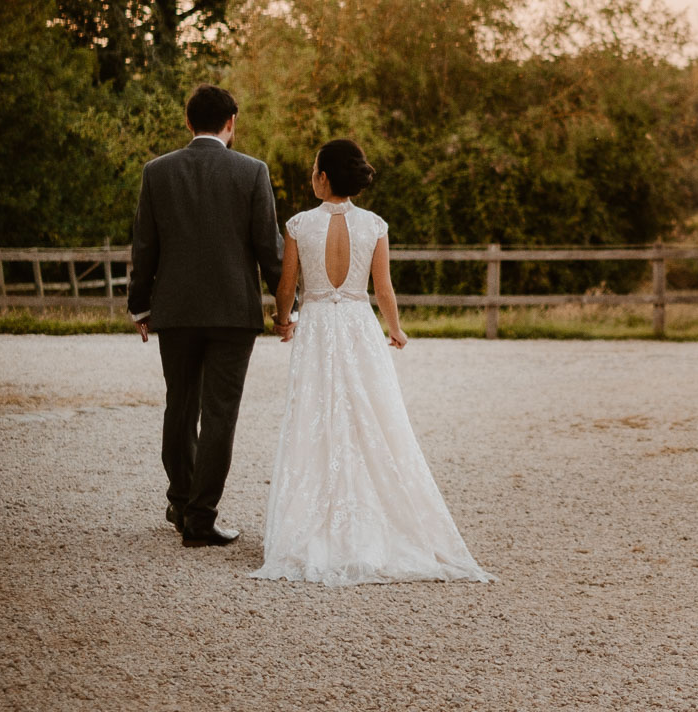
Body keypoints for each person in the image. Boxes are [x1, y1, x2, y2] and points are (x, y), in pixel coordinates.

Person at [250, 139, 490, 585]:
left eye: (313, 168)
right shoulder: (374, 225)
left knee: (315, 416)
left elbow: (287, 287)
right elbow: (384, 290)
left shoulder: (300, 225)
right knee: (372, 416)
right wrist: (395, 329)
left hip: (319, 326)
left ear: (324, 177)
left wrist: (284, 320)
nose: (311, 175)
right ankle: (376, 519)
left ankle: (315, 524)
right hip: (359, 327)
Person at [128, 84, 284, 548]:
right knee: (219, 414)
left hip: (175, 311)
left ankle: (180, 499)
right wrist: (285, 306)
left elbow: (145, 245)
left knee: (180, 405)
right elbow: (268, 248)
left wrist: (141, 304)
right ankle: (200, 516)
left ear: (187, 120)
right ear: (231, 122)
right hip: (234, 313)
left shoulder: (157, 172)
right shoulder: (253, 171)